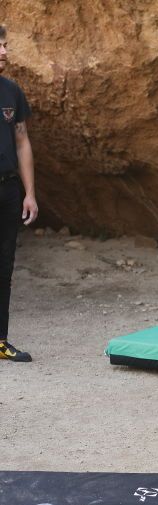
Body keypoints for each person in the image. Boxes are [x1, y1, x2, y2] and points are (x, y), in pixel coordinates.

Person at [0, 25, 37, 362]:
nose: (4, 52)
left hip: (8, 190)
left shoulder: (12, 92)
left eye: (5, 45)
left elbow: (22, 141)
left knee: (4, 266)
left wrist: (29, 193)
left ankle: (0, 340)